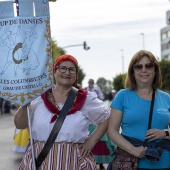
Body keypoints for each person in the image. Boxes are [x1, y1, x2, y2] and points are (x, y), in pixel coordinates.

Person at [14, 54, 110, 170]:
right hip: (40, 160)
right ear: (54, 72)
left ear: (76, 75)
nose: (67, 72)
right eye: (62, 68)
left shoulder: (86, 99)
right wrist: (24, 107)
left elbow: (107, 118)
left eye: (71, 69)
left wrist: (91, 141)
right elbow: (19, 124)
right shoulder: (38, 97)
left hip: (74, 161)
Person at [108, 50, 170, 170]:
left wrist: (165, 133)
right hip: (131, 164)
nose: (144, 70)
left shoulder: (167, 98)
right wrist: (134, 150)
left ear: (155, 70)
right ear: (132, 71)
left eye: (149, 65)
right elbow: (112, 131)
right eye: (138, 66)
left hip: (165, 164)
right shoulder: (123, 96)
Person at [85, 79, 116, 170]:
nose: (90, 84)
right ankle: (93, 160)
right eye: (89, 82)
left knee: (100, 138)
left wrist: (95, 101)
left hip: (96, 114)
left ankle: (101, 162)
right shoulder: (86, 89)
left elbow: (102, 98)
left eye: (91, 82)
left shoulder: (96, 89)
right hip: (88, 117)